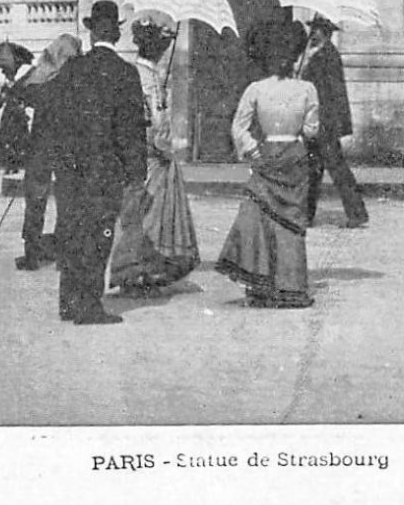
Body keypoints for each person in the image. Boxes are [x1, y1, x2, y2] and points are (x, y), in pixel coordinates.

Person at [55, 0, 148, 325]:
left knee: (71, 230)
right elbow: (132, 130)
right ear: (117, 34)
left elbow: (59, 119)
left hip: (71, 168)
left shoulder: (71, 69)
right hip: (105, 170)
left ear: (92, 32)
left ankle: (68, 301)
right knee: (99, 234)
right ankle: (89, 305)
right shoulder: (125, 73)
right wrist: (137, 172)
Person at [215, 21, 319, 309]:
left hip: (267, 153)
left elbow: (239, 127)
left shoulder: (256, 89)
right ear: (295, 55)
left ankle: (263, 283)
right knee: (291, 222)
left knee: (263, 218)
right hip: (294, 155)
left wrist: (253, 151)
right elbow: (311, 130)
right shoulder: (307, 89)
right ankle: (290, 285)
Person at [108, 19, 200, 294]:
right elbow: (155, 122)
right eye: (160, 47)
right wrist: (165, 145)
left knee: (148, 214)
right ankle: (135, 271)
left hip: (149, 153)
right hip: (151, 154)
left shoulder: (146, 75)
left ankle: (146, 269)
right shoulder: (145, 78)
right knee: (147, 215)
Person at [14, 33, 82, 272]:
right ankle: (64, 256)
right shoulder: (76, 79)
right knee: (67, 199)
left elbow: (19, 91)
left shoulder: (41, 77)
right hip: (68, 146)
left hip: (40, 146)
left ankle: (31, 253)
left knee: (35, 199)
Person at [301, 16, 369, 229]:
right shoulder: (318, 54)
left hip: (325, 123)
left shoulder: (327, 56)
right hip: (319, 122)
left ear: (326, 33)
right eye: (312, 29)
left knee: (335, 169)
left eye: (317, 30)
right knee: (313, 170)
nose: (313, 33)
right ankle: (306, 215)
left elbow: (329, 93)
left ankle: (356, 214)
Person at [0, 67, 30, 175]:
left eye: (11, 75)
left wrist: (21, 104)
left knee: (17, 140)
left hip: (17, 116)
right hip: (7, 115)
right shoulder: (4, 88)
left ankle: (14, 165)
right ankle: (8, 164)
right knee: (6, 139)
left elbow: (25, 99)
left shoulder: (19, 86)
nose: (9, 77)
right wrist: (1, 97)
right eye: (7, 75)